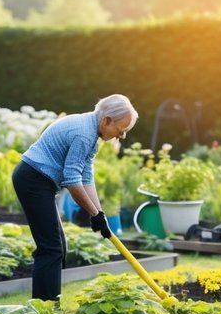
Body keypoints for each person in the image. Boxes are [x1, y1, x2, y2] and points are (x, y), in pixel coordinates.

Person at [11, 94, 137, 301]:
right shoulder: (84, 134)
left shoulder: (91, 134)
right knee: (50, 249)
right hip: (33, 180)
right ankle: (45, 312)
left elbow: (86, 177)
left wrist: (99, 213)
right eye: (121, 130)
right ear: (106, 120)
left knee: (58, 246)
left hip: (40, 181)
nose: (121, 137)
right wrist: (93, 213)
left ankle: (47, 305)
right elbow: (72, 180)